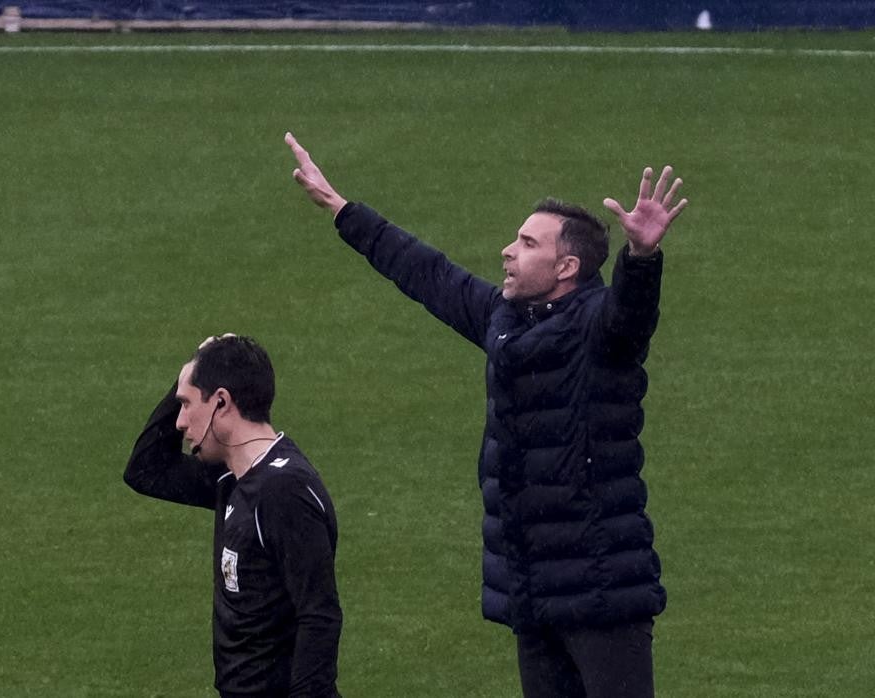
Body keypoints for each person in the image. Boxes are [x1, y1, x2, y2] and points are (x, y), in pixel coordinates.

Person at [284, 132, 687, 698]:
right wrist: (340, 207)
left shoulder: (598, 329)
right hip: (531, 589)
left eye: (526, 243)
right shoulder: (505, 319)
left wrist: (641, 258)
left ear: (566, 265)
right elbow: (426, 272)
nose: (507, 250)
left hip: (602, 592)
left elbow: (630, 314)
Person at [124, 334, 343, 698]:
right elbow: (145, 470)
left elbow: (319, 616)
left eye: (186, 404)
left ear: (221, 401)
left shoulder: (283, 492)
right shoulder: (231, 475)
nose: (179, 422)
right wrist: (191, 372)